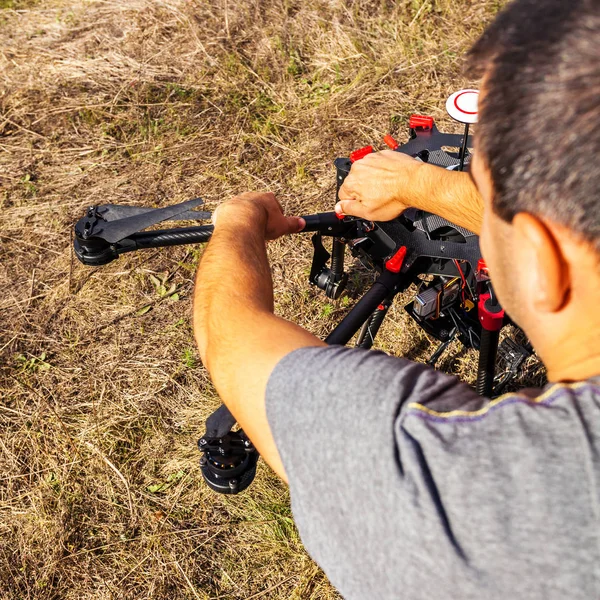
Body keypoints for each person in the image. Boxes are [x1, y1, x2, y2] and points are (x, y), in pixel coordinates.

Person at [192, 0, 600, 597]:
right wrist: (425, 184)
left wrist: (238, 222)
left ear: (543, 258)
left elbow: (230, 335)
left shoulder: (452, 500)